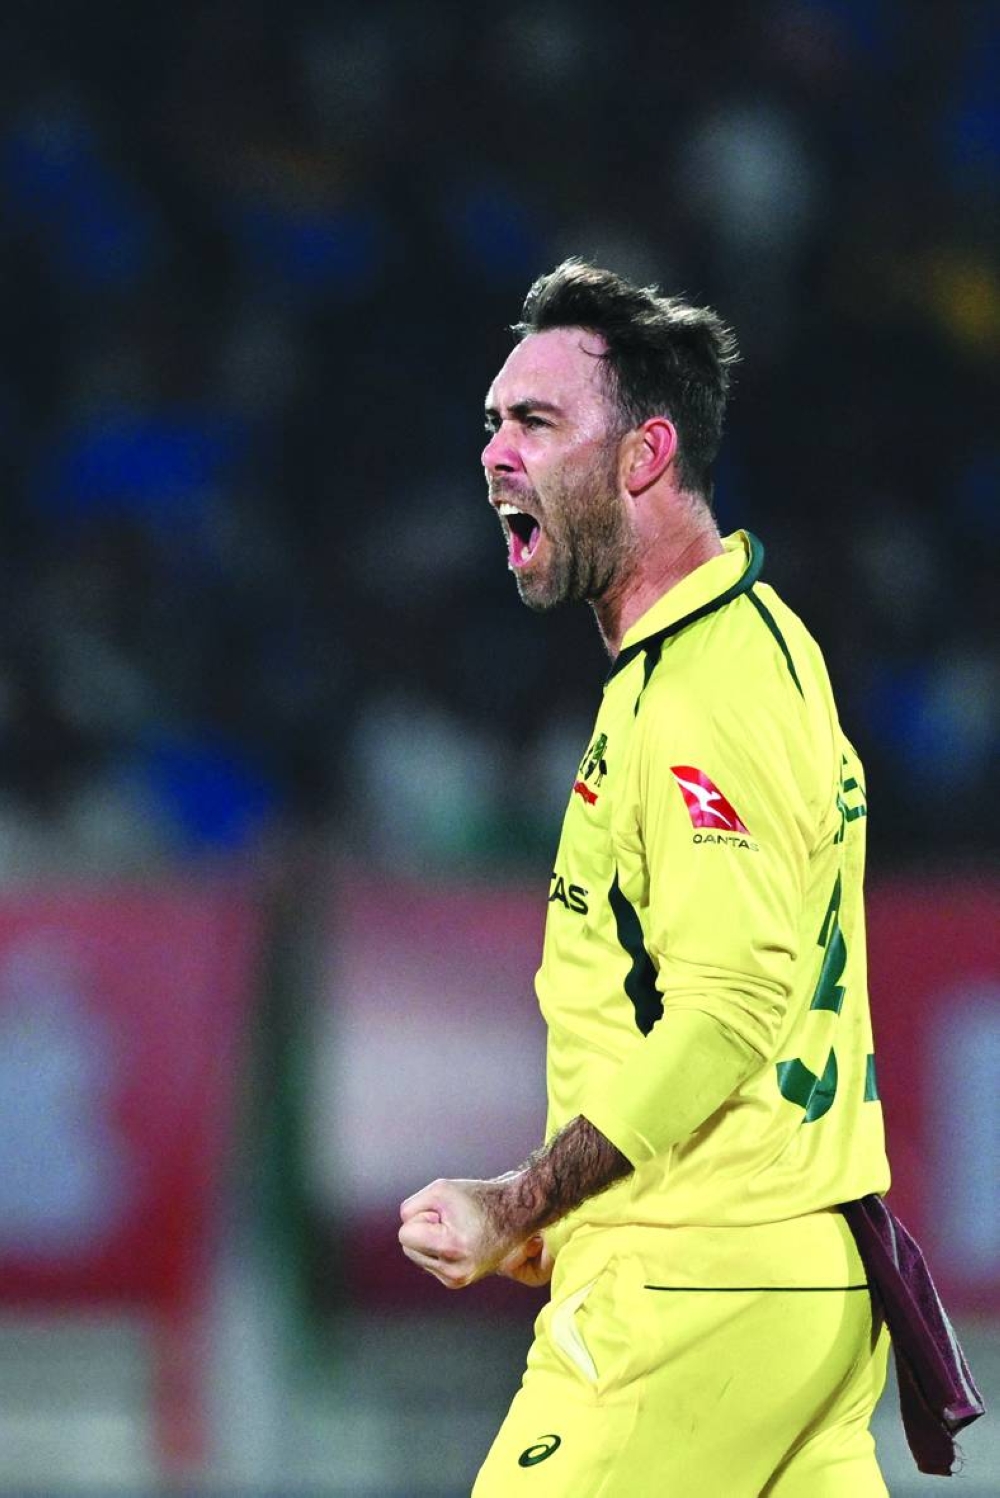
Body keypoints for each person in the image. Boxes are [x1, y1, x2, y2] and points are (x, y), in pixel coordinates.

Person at [398, 259, 894, 1495]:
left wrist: (521, 1198)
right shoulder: (762, 644)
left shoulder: (693, 700)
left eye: (538, 421)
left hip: (690, 1289)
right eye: (492, 423)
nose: (497, 453)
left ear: (642, 455)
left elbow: (727, 1007)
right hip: (806, 1282)